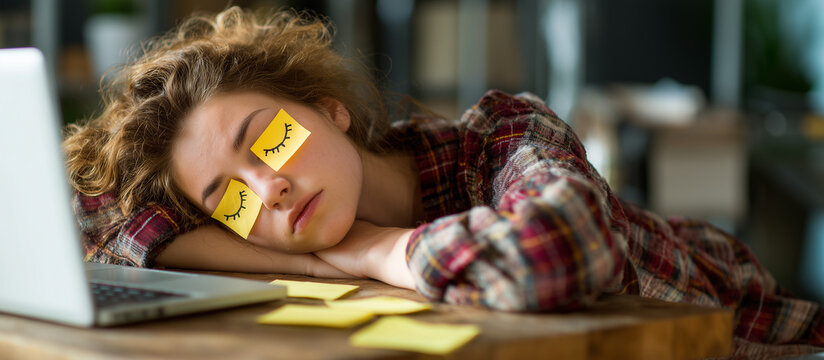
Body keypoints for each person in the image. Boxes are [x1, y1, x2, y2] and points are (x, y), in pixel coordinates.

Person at [65, 6, 823, 358]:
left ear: (331, 111)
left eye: (270, 139)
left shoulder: (504, 134)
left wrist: (372, 251)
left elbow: (552, 254)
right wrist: (310, 258)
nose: (267, 193)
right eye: (228, 199)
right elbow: (103, 232)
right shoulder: (274, 227)